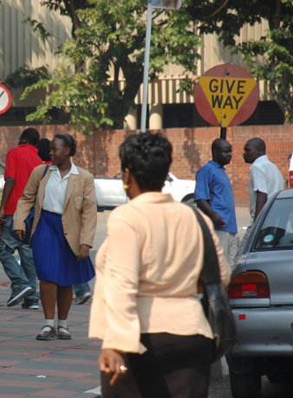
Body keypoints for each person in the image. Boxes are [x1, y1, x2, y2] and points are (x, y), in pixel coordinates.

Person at [90, 133, 230, 398]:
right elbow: (221, 274)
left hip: (141, 338)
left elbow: (123, 283)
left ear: (127, 175)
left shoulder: (128, 217)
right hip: (192, 334)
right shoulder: (195, 218)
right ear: (166, 170)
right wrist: (181, 284)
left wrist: (114, 344)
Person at [14, 134, 96, 340]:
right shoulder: (41, 172)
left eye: (55, 149)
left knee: (66, 278)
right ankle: (48, 323)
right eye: (50, 149)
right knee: (47, 275)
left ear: (67, 150)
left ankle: (63, 324)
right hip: (45, 227)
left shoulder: (84, 177)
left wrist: (86, 241)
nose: (51, 152)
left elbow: (89, 212)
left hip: (70, 230)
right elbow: (26, 198)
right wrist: (18, 221)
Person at [0, 127, 42, 309]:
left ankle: (21, 284)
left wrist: (1, 207)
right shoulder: (39, 160)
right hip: (32, 212)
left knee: (3, 250)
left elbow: (10, 180)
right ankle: (32, 297)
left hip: (14, 209)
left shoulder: (14, 153)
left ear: (22, 139)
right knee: (26, 253)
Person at [195, 139, 238, 267]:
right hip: (218, 227)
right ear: (215, 152)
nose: (229, 154)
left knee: (231, 267)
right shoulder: (207, 170)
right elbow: (200, 199)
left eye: (230, 151)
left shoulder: (221, 171)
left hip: (231, 227)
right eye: (226, 152)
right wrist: (214, 216)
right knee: (219, 266)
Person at [244, 137, 284, 221]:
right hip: (277, 216)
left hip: (265, 218)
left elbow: (262, 194)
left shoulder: (257, 166)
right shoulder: (273, 167)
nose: (245, 154)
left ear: (259, 151)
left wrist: (257, 222)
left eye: (248, 150)